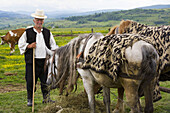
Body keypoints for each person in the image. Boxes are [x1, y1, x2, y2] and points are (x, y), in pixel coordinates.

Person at [18, 9, 58, 107]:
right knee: (31, 81)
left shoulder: (48, 32)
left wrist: (55, 53)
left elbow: (53, 46)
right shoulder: (28, 32)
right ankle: (30, 99)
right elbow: (20, 44)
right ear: (34, 20)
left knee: (45, 81)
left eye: (41, 20)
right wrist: (29, 46)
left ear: (43, 21)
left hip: (44, 62)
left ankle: (46, 98)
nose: (39, 22)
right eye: (37, 20)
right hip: (32, 62)